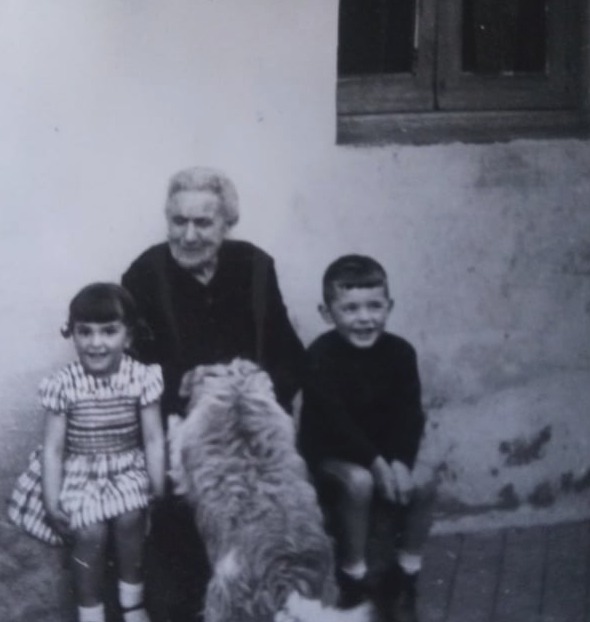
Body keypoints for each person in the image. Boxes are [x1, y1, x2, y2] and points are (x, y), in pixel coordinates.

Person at [121, 166, 306, 622]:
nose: (188, 235)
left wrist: (264, 383)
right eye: (178, 221)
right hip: (181, 433)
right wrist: (182, 382)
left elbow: (290, 355)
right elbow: (131, 367)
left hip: (250, 432)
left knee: (272, 530)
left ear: (227, 224)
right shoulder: (144, 275)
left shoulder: (256, 268)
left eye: (203, 222)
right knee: (185, 558)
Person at [8, 283, 166, 622]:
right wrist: (52, 501)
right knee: (88, 532)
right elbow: (53, 450)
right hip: (80, 471)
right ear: (73, 335)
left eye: (108, 331)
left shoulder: (142, 378)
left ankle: (132, 601)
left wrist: (157, 484)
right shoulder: (64, 385)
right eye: (85, 332)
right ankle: (90, 609)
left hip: (125, 466)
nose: (96, 343)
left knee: (131, 517)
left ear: (128, 337)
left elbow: (153, 437)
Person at [298, 255, 436, 622]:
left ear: (389, 306)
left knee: (426, 479)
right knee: (359, 483)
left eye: (374, 306)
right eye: (350, 308)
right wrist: (376, 465)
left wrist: (401, 462)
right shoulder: (319, 356)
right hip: (332, 454)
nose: (364, 318)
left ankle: (405, 576)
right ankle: (353, 578)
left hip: (383, 452)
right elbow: (337, 424)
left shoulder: (401, 352)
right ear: (327, 313)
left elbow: (409, 414)